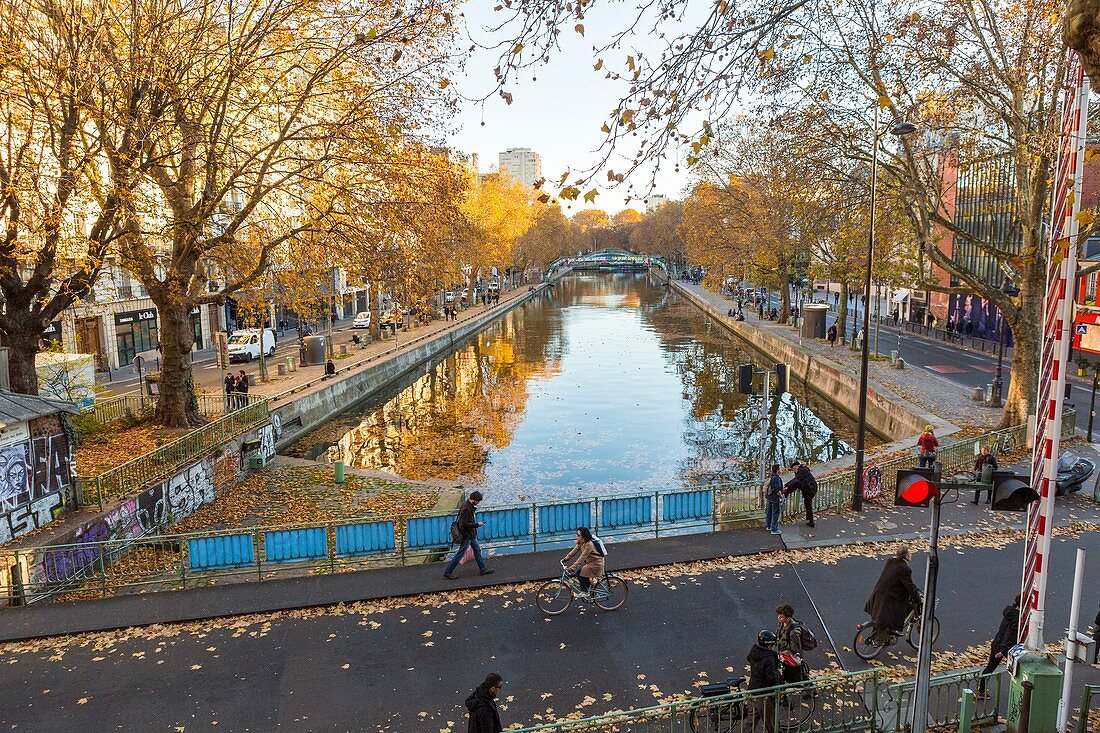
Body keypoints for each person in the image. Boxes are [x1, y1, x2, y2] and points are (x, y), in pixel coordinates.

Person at [863, 546, 922, 641]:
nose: (911, 555)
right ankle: (889, 632)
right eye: (909, 553)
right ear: (906, 556)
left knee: (884, 616)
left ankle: (885, 631)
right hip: (889, 597)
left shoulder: (891, 561)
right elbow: (910, 586)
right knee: (903, 609)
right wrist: (918, 599)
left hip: (880, 593)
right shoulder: (904, 569)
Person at [976, 594, 1020, 699]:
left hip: (997, 642)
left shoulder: (1009, 612)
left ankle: (981, 690)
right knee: (1017, 668)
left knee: (990, 667)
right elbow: (1009, 634)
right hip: (1004, 647)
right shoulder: (1017, 619)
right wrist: (1003, 650)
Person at [443, 491, 494, 579]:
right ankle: (448, 572)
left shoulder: (467, 505)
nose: (478, 503)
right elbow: (464, 524)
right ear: (473, 499)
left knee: (477, 550)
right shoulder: (466, 508)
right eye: (477, 501)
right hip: (467, 535)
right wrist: (477, 524)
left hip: (470, 535)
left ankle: (483, 569)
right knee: (460, 554)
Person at [747, 630, 782, 733]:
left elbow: (749, 658)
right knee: (772, 722)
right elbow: (771, 678)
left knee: (750, 721)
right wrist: (778, 675)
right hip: (764, 694)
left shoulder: (754, 650)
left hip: (753, 689)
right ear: (769, 645)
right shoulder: (769, 658)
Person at [561, 526, 605, 599]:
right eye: (577, 535)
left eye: (578, 535)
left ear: (584, 536)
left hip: (596, 564)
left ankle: (585, 592)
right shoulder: (581, 542)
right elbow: (574, 551)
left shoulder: (589, 545)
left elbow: (582, 557)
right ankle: (591, 589)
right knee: (580, 573)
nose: (577, 537)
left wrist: (572, 568)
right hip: (591, 563)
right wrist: (566, 559)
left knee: (580, 573)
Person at [776, 604, 807, 684]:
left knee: (796, 674)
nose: (779, 617)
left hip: (791, 656)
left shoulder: (794, 631)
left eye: (781, 616)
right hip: (783, 654)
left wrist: (786, 650)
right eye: (779, 615)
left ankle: (809, 688)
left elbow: (795, 648)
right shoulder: (782, 623)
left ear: (788, 617)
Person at [783, 460, 817, 527]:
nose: (794, 470)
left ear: (797, 466)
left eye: (794, 469)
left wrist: (786, 486)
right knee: (808, 505)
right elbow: (796, 480)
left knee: (796, 482)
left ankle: (786, 493)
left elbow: (796, 479)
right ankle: (811, 521)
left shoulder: (802, 470)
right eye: (793, 469)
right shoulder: (801, 471)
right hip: (809, 489)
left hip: (810, 489)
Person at [764, 464, 783, 535]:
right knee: (775, 513)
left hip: (770, 498)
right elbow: (777, 489)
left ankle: (768, 526)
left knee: (769, 512)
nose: (782, 470)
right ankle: (774, 529)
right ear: (777, 470)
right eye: (780, 469)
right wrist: (781, 496)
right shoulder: (776, 478)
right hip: (775, 499)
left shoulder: (772, 476)